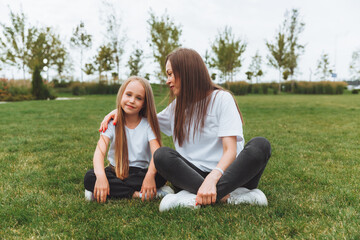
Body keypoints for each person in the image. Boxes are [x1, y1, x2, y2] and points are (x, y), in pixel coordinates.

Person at [100, 48, 271, 211]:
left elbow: (230, 151)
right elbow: (144, 119)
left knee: (261, 145)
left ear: (187, 72)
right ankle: (229, 197)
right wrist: (120, 111)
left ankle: (197, 197)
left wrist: (213, 178)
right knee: (162, 155)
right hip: (191, 176)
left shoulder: (222, 99)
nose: (168, 81)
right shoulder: (176, 108)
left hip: (229, 176)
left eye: (170, 74)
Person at [84, 76, 173, 203]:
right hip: (116, 171)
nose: (132, 101)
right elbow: (99, 153)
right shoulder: (111, 123)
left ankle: (104, 191)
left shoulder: (148, 125)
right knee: (90, 177)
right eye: (128, 95)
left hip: (139, 173)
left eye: (138, 98)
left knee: (160, 176)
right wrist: (101, 177)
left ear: (144, 104)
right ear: (121, 95)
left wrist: (149, 176)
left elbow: (156, 154)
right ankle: (139, 194)